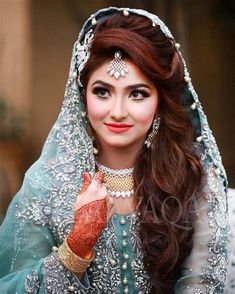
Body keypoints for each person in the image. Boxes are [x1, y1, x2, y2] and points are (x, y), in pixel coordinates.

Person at [0, 7, 229, 294]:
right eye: (102, 91)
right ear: (82, 96)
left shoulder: (195, 182)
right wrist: (75, 249)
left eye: (137, 94)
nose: (117, 111)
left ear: (160, 101)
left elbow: (206, 285)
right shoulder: (46, 187)